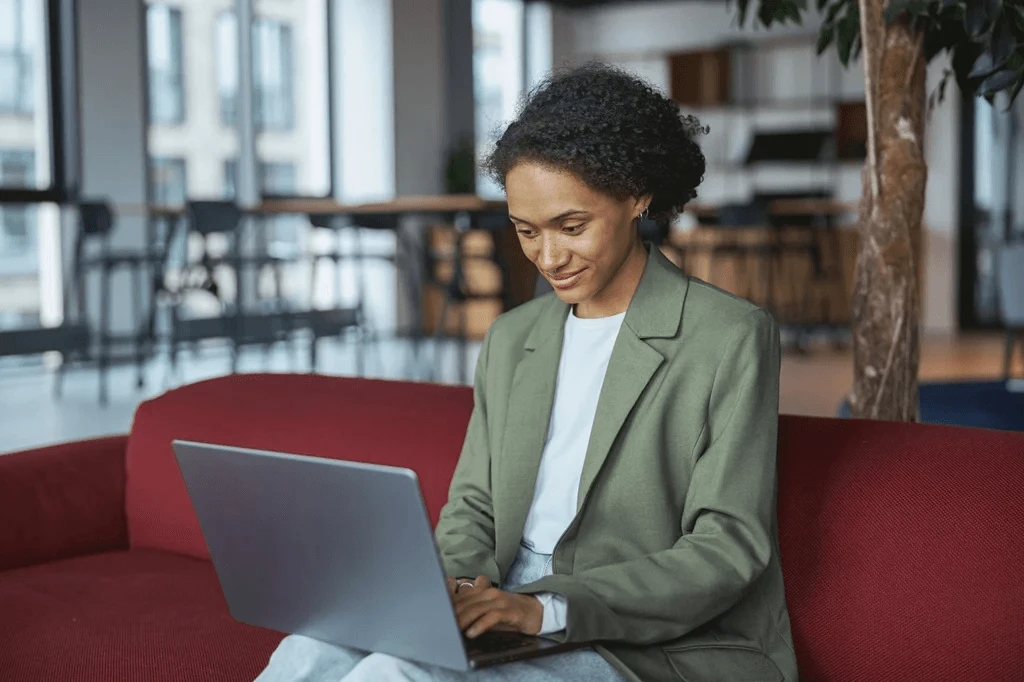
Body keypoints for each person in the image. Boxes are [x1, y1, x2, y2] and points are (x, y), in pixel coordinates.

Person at [256, 63, 798, 682]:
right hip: (508, 598)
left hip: (642, 639)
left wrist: (543, 609)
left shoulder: (728, 337)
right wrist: (458, 590)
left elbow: (726, 549)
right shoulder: (513, 339)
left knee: (395, 676)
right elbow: (474, 508)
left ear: (636, 195)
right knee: (311, 646)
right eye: (525, 232)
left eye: (572, 227)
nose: (548, 257)